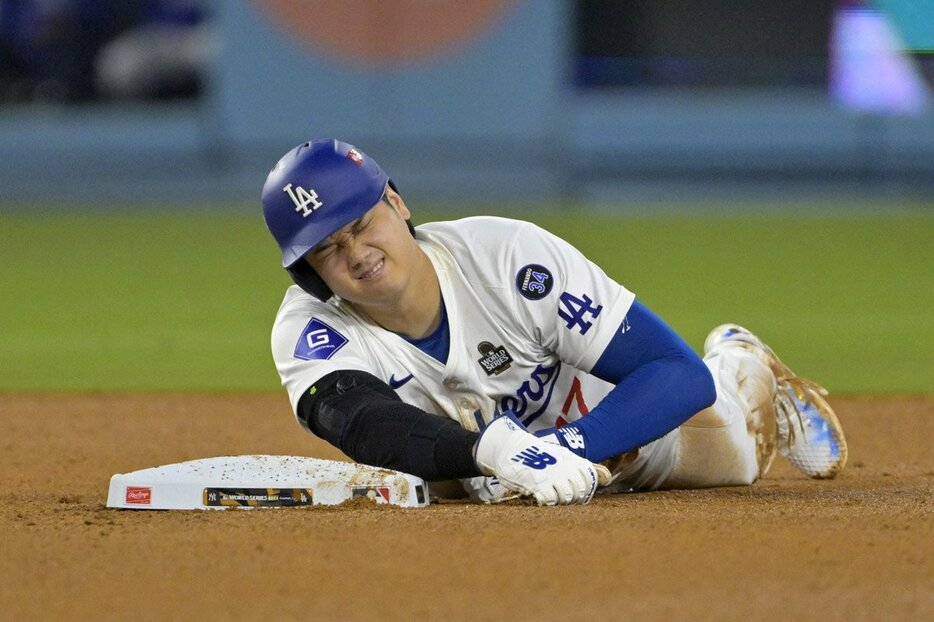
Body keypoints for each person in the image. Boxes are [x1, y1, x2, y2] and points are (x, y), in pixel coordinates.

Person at [262, 139, 848, 506]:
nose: (357, 252)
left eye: (363, 223)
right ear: (308, 272)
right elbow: (363, 424)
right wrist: (498, 453)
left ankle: (743, 366)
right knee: (432, 484)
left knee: (737, 460)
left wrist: (567, 447)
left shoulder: (506, 257)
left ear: (397, 202)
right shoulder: (309, 332)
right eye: (329, 248)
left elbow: (676, 372)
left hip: (626, 434)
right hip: (483, 471)